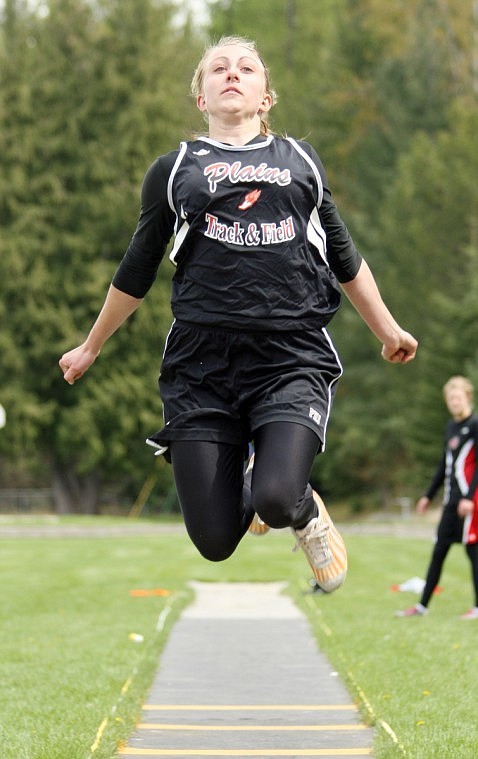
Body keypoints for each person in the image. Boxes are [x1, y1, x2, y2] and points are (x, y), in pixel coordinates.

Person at [59, 36, 417, 593]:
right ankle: (260, 479)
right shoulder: (174, 169)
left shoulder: (300, 162)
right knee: (215, 541)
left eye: (246, 69)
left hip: (288, 357)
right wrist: (90, 345)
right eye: (218, 70)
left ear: (265, 96)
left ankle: (301, 509)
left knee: (274, 497)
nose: (232, 75)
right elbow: (137, 267)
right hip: (202, 366)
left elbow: (343, 254)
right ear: (201, 97)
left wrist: (387, 329)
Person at [397, 376, 478, 619]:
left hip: (469, 503)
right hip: (451, 502)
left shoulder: (475, 424)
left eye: (458, 397)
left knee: (473, 553)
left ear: (468, 398)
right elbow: (444, 465)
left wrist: (470, 498)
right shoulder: (450, 427)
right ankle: (422, 606)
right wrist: (428, 496)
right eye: (451, 398)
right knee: (439, 550)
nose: (454, 402)